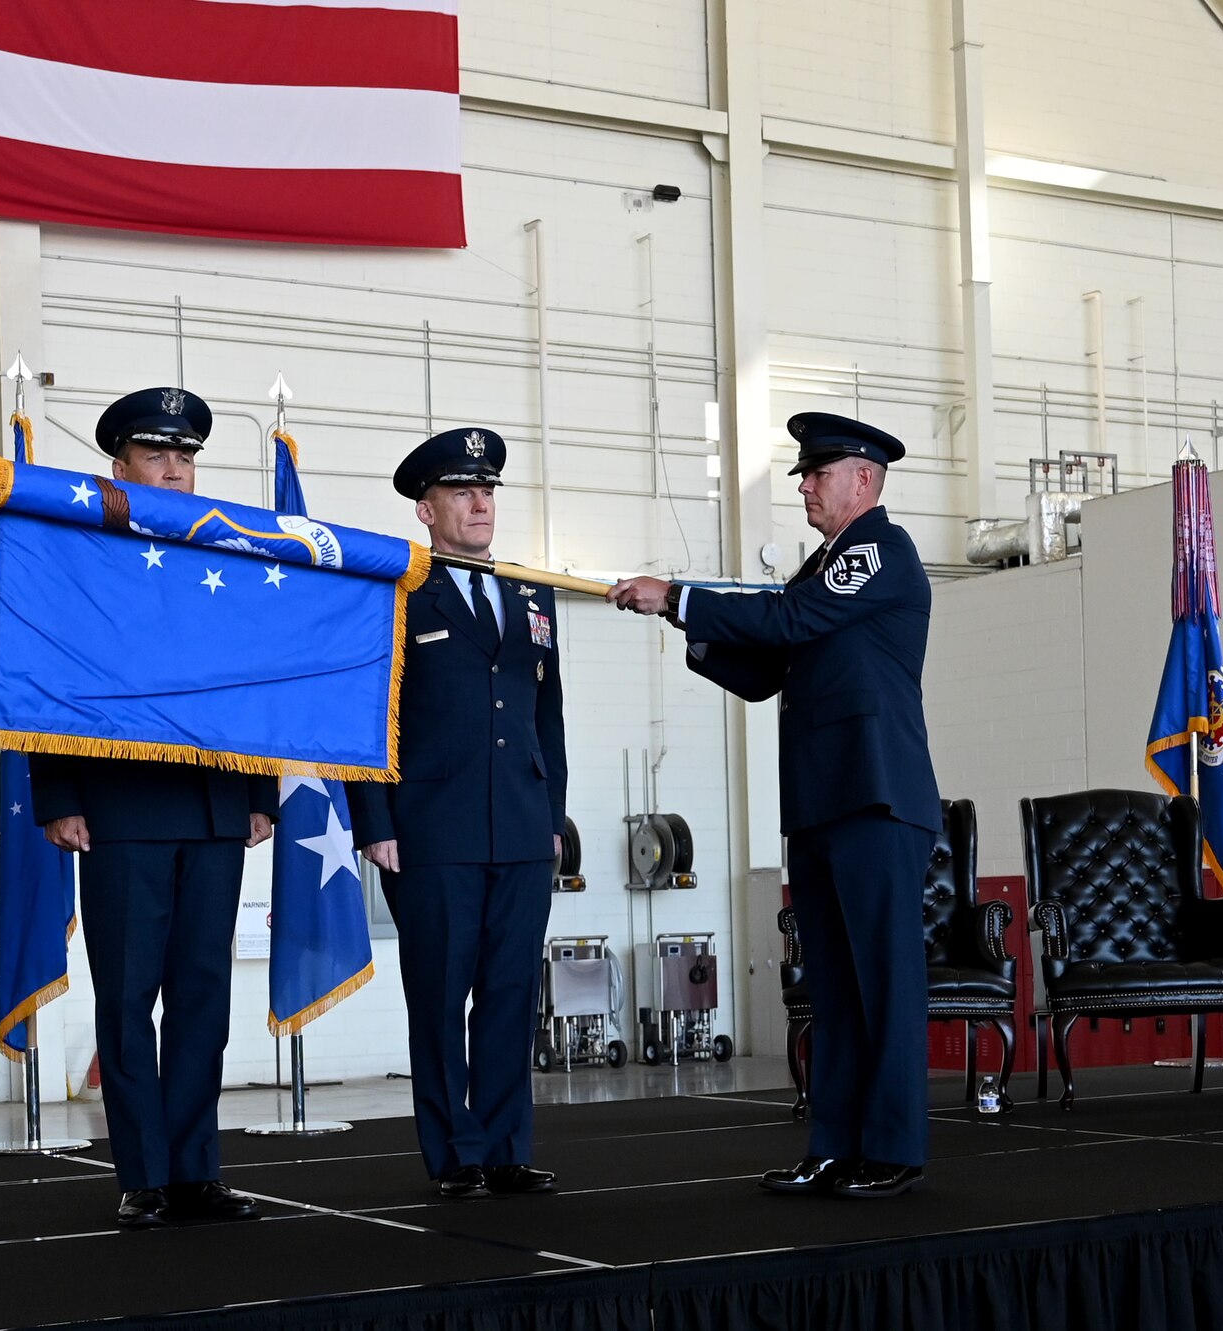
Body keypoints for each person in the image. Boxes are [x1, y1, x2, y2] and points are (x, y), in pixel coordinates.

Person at [609, 412, 940, 1198]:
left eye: (817, 472)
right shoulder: (822, 568)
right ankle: (834, 1144)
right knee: (832, 985)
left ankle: (892, 1146)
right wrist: (684, 629)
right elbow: (765, 669)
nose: (803, 484)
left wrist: (681, 595)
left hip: (876, 796)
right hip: (825, 802)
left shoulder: (876, 552)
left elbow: (789, 623)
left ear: (863, 479)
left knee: (882, 984)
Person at [29, 386, 277, 1229]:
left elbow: (253, 681)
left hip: (214, 809)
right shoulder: (86, 559)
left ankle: (196, 1169)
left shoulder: (231, 561)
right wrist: (57, 795)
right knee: (129, 1001)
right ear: (120, 467)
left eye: (185, 455)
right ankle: (142, 1173)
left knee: (204, 997)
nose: (175, 468)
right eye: (156, 454)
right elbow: (50, 678)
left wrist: (258, 789)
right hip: (120, 808)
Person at [347, 427, 568, 1200]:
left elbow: (549, 717)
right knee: (440, 997)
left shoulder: (529, 593)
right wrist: (374, 821)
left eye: (489, 490)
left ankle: (506, 1146)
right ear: (426, 508)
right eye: (463, 491)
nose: (481, 502)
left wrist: (553, 817)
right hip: (431, 829)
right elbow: (369, 717)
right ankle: (455, 1154)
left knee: (510, 993)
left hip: (519, 825)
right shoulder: (401, 594)